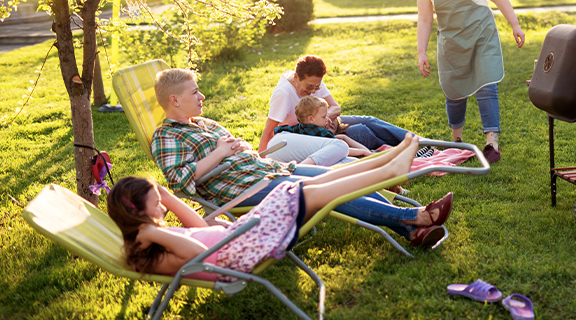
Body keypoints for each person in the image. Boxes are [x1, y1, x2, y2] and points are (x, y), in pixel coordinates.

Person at [150, 68, 453, 246]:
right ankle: (415, 217)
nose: (202, 97)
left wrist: (239, 148)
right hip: (244, 190)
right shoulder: (166, 137)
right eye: (195, 93)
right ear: (174, 100)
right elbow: (181, 180)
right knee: (329, 191)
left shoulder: (205, 124)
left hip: (267, 170)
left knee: (338, 175)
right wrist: (220, 152)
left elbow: (233, 149)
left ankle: (411, 227)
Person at [109, 135, 425, 277]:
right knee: (306, 192)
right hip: (241, 247)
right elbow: (200, 256)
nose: (162, 209)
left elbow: (201, 230)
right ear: (137, 214)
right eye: (156, 205)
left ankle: (385, 163)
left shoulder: (149, 238)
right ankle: (386, 170)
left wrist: (166, 195)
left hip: (239, 239)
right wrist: (224, 229)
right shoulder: (150, 238)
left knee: (305, 188)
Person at [414, 0, 525, 163]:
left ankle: (491, 144)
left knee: (487, 85)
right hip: (452, 41)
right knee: (454, 91)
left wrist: (514, 24)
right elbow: (425, 19)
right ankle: (457, 142)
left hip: (481, 35)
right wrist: (421, 52)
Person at [257, 55, 427, 154]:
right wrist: (262, 160)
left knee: (368, 120)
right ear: (296, 78)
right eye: (309, 87)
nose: (313, 90)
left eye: (317, 87)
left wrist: (325, 118)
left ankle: (422, 142)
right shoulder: (283, 93)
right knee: (360, 131)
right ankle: (406, 150)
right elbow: (269, 130)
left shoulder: (314, 81)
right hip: (307, 135)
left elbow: (335, 107)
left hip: (323, 124)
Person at [274, 96, 373, 158]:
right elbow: (340, 149)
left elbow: (278, 129)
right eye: (324, 117)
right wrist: (363, 152)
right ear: (311, 119)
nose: (327, 119)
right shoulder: (323, 133)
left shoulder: (297, 129)